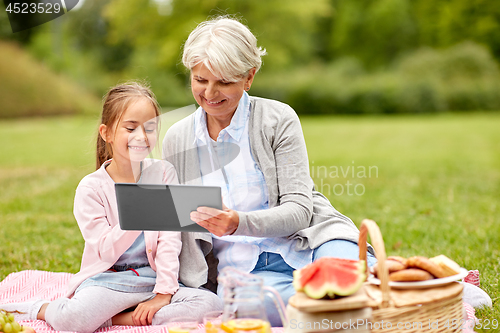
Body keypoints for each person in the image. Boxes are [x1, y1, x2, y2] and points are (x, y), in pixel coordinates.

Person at [163, 17, 376, 327]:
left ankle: (382, 296)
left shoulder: (277, 119)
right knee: (256, 306)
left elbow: (300, 210)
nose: (209, 93)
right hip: (243, 268)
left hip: (311, 241)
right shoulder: (178, 139)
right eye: (200, 80)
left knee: (350, 275)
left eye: (223, 82)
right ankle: (362, 307)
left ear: (249, 77)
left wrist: (238, 223)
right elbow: (176, 221)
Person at [1, 82, 222, 333]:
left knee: (209, 304)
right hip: (109, 282)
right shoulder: (91, 189)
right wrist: (139, 211)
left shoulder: (163, 173)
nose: (141, 136)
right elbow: (106, 252)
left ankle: (117, 319)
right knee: (72, 320)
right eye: (130, 128)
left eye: (150, 128)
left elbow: (170, 241)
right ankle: (42, 308)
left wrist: (163, 293)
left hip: (151, 280)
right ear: (107, 133)